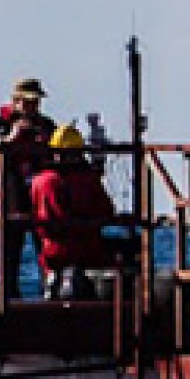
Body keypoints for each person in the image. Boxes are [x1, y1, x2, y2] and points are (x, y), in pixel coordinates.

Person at [0, 77, 55, 293]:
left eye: (36, 102)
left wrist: (47, 145)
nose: (32, 107)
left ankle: (51, 293)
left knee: (49, 253)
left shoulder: (47, 125)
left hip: (41, 202)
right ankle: (8, 295)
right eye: (28, 102)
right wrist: (8, 142)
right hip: (9, 200)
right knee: (9, 255)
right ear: (15, 101)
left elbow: (61, 158)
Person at [31, 125, 122, 300]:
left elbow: (48, 223)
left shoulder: (46, 180)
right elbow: (106, 212)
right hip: (82, 249)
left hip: (62, 252)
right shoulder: (84, 179)